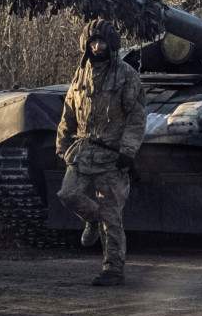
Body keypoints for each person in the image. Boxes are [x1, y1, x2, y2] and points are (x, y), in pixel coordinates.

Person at [55, 18, 146, 287]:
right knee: (67, 194)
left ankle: (113, 269)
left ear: (112, 44)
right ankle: (92, 219)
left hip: (111, 154)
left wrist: (128, 151)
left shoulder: (125, 74)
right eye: (93, 41)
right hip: (82, 151)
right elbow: (69, 111)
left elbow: (137, 116)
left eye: (102, 41)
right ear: (86, 44)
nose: (97, 46)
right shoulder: (80, 73)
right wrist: (62, 144)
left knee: (112, 215)